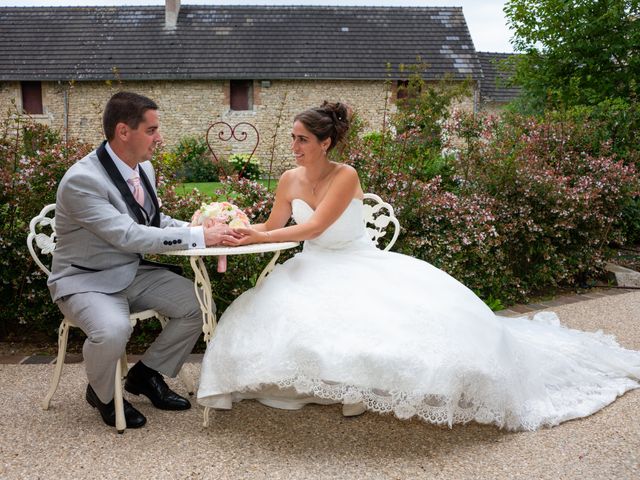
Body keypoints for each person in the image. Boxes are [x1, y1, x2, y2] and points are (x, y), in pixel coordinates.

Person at [196, 101, 640, 431]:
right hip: (310, 266)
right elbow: (274, 224)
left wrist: (260, 236)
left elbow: (311, 228)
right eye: (292, 137)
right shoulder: (288, 178)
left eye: (302, 139)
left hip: (353, 263)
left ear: (325, 142)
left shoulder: (345, 175)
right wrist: (232, 226)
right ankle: (324, 387)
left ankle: (359, 391)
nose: (293, 146)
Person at [48, 91, 241, 430]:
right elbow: (129, 235)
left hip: (129, 271)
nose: (159, 138)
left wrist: (196, 226)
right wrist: (198, 238)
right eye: (152, 130)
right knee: (113, 331)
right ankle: (103, 393)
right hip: (86, 280)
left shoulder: (144, 169)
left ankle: (146, 375)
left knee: (197, 303)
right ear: (124, 131)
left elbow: (149, 222)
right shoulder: (83, 180)